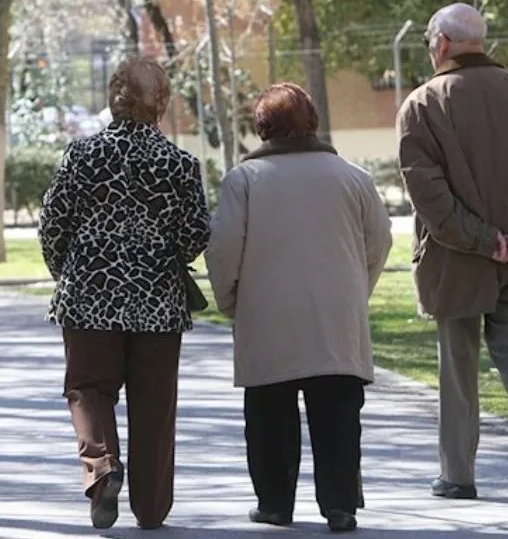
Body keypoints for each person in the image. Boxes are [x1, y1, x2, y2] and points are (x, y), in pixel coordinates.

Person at [396, 3, 508, 510]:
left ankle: (458, 475)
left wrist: (485, 240)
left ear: (441, 43)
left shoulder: (422, 104)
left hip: (457, 262)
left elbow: (429, 196)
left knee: (458, 366)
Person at [206, 83, 392, 533]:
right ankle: (340, 504)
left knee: (269, 416)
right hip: (336, 316)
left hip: (268, 315)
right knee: (339, 416)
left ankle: (274, 502)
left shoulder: (244, 180)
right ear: (312, 121)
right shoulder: (353, 177)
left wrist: (232, 300)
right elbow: (380, 241)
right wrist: (355, 289)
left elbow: (223, 248)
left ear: (262, 127)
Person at [37, 55, 210, 530]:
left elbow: (53, 225)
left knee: (88, 389)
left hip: (88, 296)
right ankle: (152, 509)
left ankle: (102, 468)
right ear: (162, 103)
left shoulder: (81, 155)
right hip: (157, 303)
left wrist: (65, 272)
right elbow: (196, 232)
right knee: (155, 404)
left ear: (113, 98)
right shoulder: (179, 163)